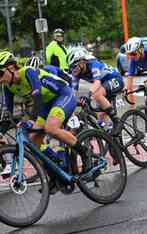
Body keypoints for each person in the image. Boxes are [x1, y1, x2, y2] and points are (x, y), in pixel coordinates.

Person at [0, 51, 88, 191]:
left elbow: (37, 97)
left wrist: (31, 121)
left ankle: (85, 153)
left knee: (51, 128)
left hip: (62, 95)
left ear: (11, 67)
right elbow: (6, 114)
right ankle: (55, 173)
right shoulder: (7, 87)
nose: (0, 79)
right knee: (33, 141)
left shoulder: (28, 72)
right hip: (47, 105)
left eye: (0, 73)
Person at [67, 46, 124, 123]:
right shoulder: (75, 73)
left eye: (74, 66)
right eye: (71, 67)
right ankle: (107, 132)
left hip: (115, 79)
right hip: (104, 85)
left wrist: (88, 95)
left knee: (96, 95)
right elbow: (73, 93)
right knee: (100, 117)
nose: (73, 70)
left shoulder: (93, 64)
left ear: (82, 62)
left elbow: (97, 82)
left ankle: (117, 121)